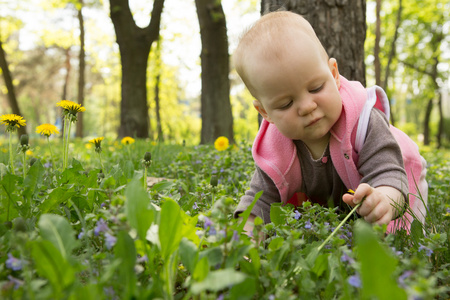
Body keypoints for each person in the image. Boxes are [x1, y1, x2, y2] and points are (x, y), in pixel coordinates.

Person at [232, 11, 427, 235]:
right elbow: (261, 199)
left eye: (316, 88)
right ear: (265, 112)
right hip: (346, 196)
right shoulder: (274, 149)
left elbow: (388, 171)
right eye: (285, 103)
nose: (307, 107)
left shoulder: (363, 123)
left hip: (400, 172)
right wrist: (244, 237)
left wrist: (383, 197)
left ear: (334, 74)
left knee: (395, 237)